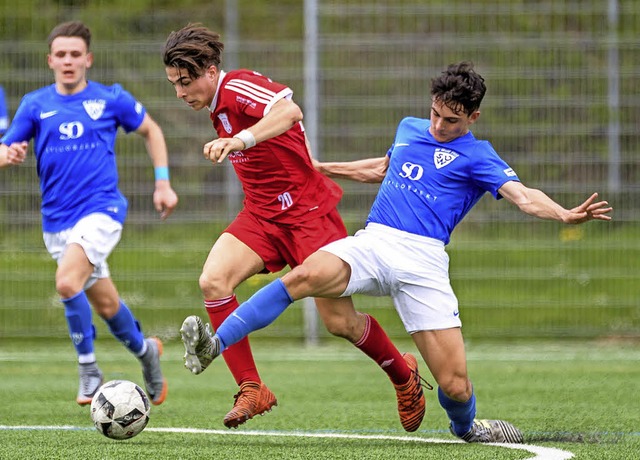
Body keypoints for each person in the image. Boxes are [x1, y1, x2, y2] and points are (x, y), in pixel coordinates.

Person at [191, 61, 613, 442]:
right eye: (435, 113)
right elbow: (381, 168)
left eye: (451, 120)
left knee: (455, 386)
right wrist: (320, 168)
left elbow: (522, 196)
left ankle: (466, 427)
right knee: (301, 277)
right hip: (375, 241)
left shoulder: (479, 156)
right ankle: (216, 343)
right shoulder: (410, 128)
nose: (439, 125)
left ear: (473, 117)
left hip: (424, 261)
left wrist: (563, 214)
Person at [162, 23, 427, 431]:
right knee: (213, 280)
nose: (180, 93)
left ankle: (403, 375)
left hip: (308, 214)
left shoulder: (237, 87)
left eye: (186, 82)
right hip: (262, 216)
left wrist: (241, 140)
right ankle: (252, 388)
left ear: (211, 70)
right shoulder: (213, 104)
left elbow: (289, 112)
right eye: (174, 84)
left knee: (340, 323)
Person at [0, 21, 178, 406]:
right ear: (50, 60)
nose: (68, 61)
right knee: (108, 306)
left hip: (102, 210)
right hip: (56, 223)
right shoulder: (35, 104)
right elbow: (4, 148)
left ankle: (88, 369)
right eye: (61, 54)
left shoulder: (110, 99)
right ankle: (146, 351)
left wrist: (162, 183)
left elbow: (153, 131)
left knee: (67, 283)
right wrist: (8, 154)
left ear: (88, 59)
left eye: (75, 54)